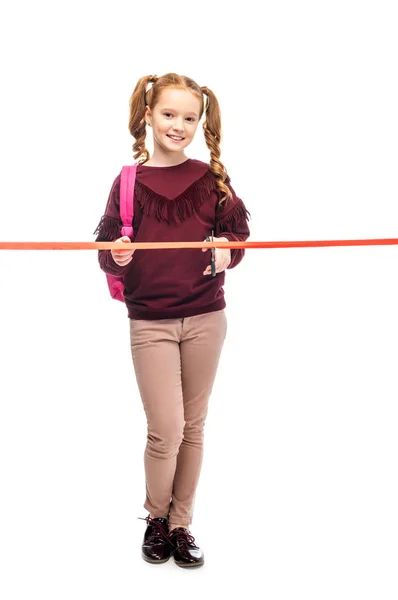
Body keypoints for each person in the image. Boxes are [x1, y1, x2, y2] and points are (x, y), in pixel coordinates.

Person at [93, 73, 251, 568]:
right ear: (148, 116)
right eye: (169, 115)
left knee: (194, 426)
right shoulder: (128, 183)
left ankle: (182, 524)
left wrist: (228, 252)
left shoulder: (211, 181)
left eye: (189, 118)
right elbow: (104, 247)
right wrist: (116, 254)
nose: (178, 125)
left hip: (207, 318)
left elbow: (238, 236)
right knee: (166, 427)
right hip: (151, 323)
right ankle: (155, 519)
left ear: (200, 123)